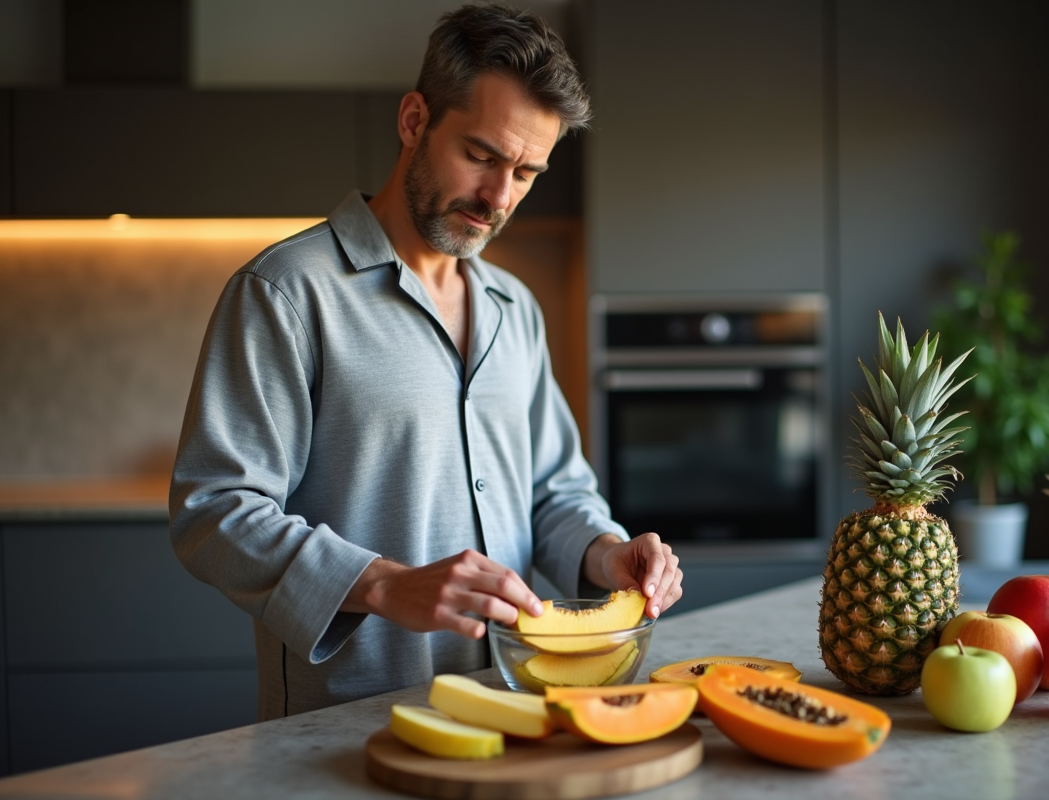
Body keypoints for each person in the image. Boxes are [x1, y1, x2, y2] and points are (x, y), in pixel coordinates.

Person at [169, 3, 682, 720]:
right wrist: (381, 584)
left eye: (527, 172)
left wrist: (606, 554)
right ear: (415, 121)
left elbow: (553, 494)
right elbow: (213, 510)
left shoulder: (515, 308)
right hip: (346, 723)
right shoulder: (285, 292)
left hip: (512, 706)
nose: (499, 198)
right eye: (481, 156)